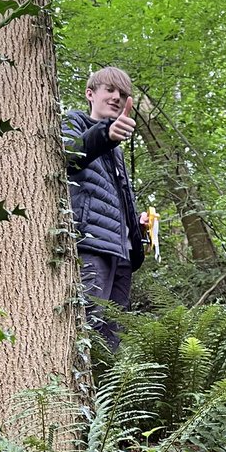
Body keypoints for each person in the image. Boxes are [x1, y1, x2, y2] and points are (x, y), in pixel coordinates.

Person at [62, 66, 145, 350]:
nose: (116, 97)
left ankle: (103, 395)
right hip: (92, 245)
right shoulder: (75, 122)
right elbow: (69, 155)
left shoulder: (117, 151)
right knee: (88, 326)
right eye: (109, 90)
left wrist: (137, 225)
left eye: (122, 94)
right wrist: (106, 134)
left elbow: (116, 200)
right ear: (90, 94)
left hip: (121, 254)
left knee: (111, 339)